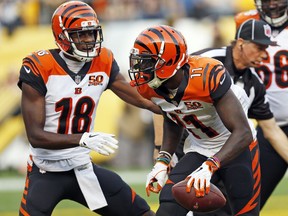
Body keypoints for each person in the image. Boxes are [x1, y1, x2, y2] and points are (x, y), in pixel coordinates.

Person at [17, 1, 160, 216]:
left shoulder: (102, 61)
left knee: (141, 213)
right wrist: (81, 139)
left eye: (92, 34)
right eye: (80, 35)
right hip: (46, 170)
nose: (88, 40)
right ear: (62, 36)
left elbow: (143, 100)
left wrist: (173, 107)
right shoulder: (40, 67)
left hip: (82, 167)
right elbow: (36, 136)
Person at [153, 18, 286, 216]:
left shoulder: (254, 84)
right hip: (191, 148)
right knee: (173, 206)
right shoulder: (205, 62)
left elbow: (271, 130)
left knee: (230, 210)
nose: (264, 55)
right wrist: (162, 152)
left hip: (228, 154)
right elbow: (162, 100)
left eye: (267, 49)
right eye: (260, 47)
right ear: (241, 43)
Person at [128, 24, 260, 216]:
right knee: (169, 204)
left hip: (237, 146)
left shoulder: (206, 76)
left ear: (168, 62)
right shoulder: (151, 87)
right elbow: (171, 116)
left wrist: (210, 165)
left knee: (244, 212)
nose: (141, 68)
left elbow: (243, 132)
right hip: (200, 147)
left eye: (147, 62)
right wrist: (163, 160)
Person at [235, 0, 288, 209]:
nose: (273, 5)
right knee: (250, 199)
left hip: (270, 125)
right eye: (268, 0)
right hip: (269, 125)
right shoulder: (245, 22)